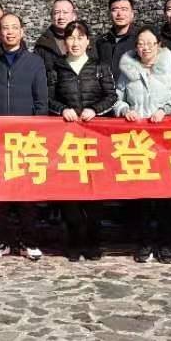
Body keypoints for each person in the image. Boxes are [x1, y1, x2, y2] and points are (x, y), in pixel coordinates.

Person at [113, 25, 171, 263]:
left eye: (150, 43)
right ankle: (144, 242)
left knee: (165, 196)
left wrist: (166, 109)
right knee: (140, 197)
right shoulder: (127, 71)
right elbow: (116, 98)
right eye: (141, 43)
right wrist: (124, 110)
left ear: (159, 45)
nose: (145, 47)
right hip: (137, 143)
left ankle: (166, 244)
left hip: (164, 142)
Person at [0, 12, 49, 261]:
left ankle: (29, 241)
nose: (9, 32)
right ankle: (0, 241)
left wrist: (37, 130)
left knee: (26, 192)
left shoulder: (34, 62)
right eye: (5, 28)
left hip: (26, 138)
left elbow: (41, 101)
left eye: (14, 27)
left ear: (22, 31)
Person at [48, 20, 117, 262]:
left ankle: (93, 239)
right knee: (69, 189)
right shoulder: (56, 67)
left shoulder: (99, 67)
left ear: (88, 40)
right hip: (67, 139)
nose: (75, 42)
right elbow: (48, 98)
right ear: (64, 42)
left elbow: (112, 96)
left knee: (95, 188)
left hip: (94, 138)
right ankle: (74, 238)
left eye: (80, 37)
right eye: (70, 38)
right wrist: (62, 109)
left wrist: (95, 110)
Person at [96, 0, 141, 77]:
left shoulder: (140, 39)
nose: (119, 14)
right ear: (109, 14)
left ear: (132, 14)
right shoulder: (102, 42)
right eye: (115, 9)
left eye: (124, 9)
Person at [33, 0, 76, 75]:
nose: (61, 17)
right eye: (57, 13)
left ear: (74, 16)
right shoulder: (42, 45)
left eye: (65, 12)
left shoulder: (87, 42)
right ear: (51, 16)